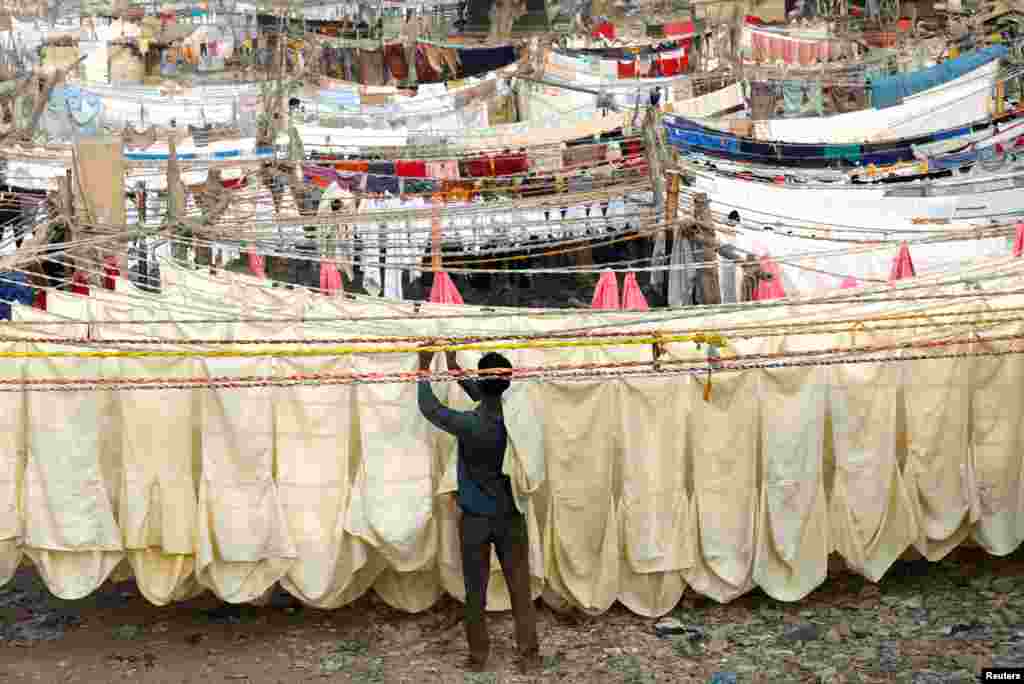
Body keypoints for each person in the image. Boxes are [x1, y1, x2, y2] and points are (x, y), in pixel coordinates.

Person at [416, 345, 540, 674]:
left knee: (475, 591)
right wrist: (456, 368)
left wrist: (424, 366)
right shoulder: (515, 416)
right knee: (520, 589)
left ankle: (477, 658)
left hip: (475, 522)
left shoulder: (469, 424)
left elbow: (430, 409)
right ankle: (529, 656)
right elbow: (484, 392)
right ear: (508, 382)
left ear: (482, 385)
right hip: (510, 517)